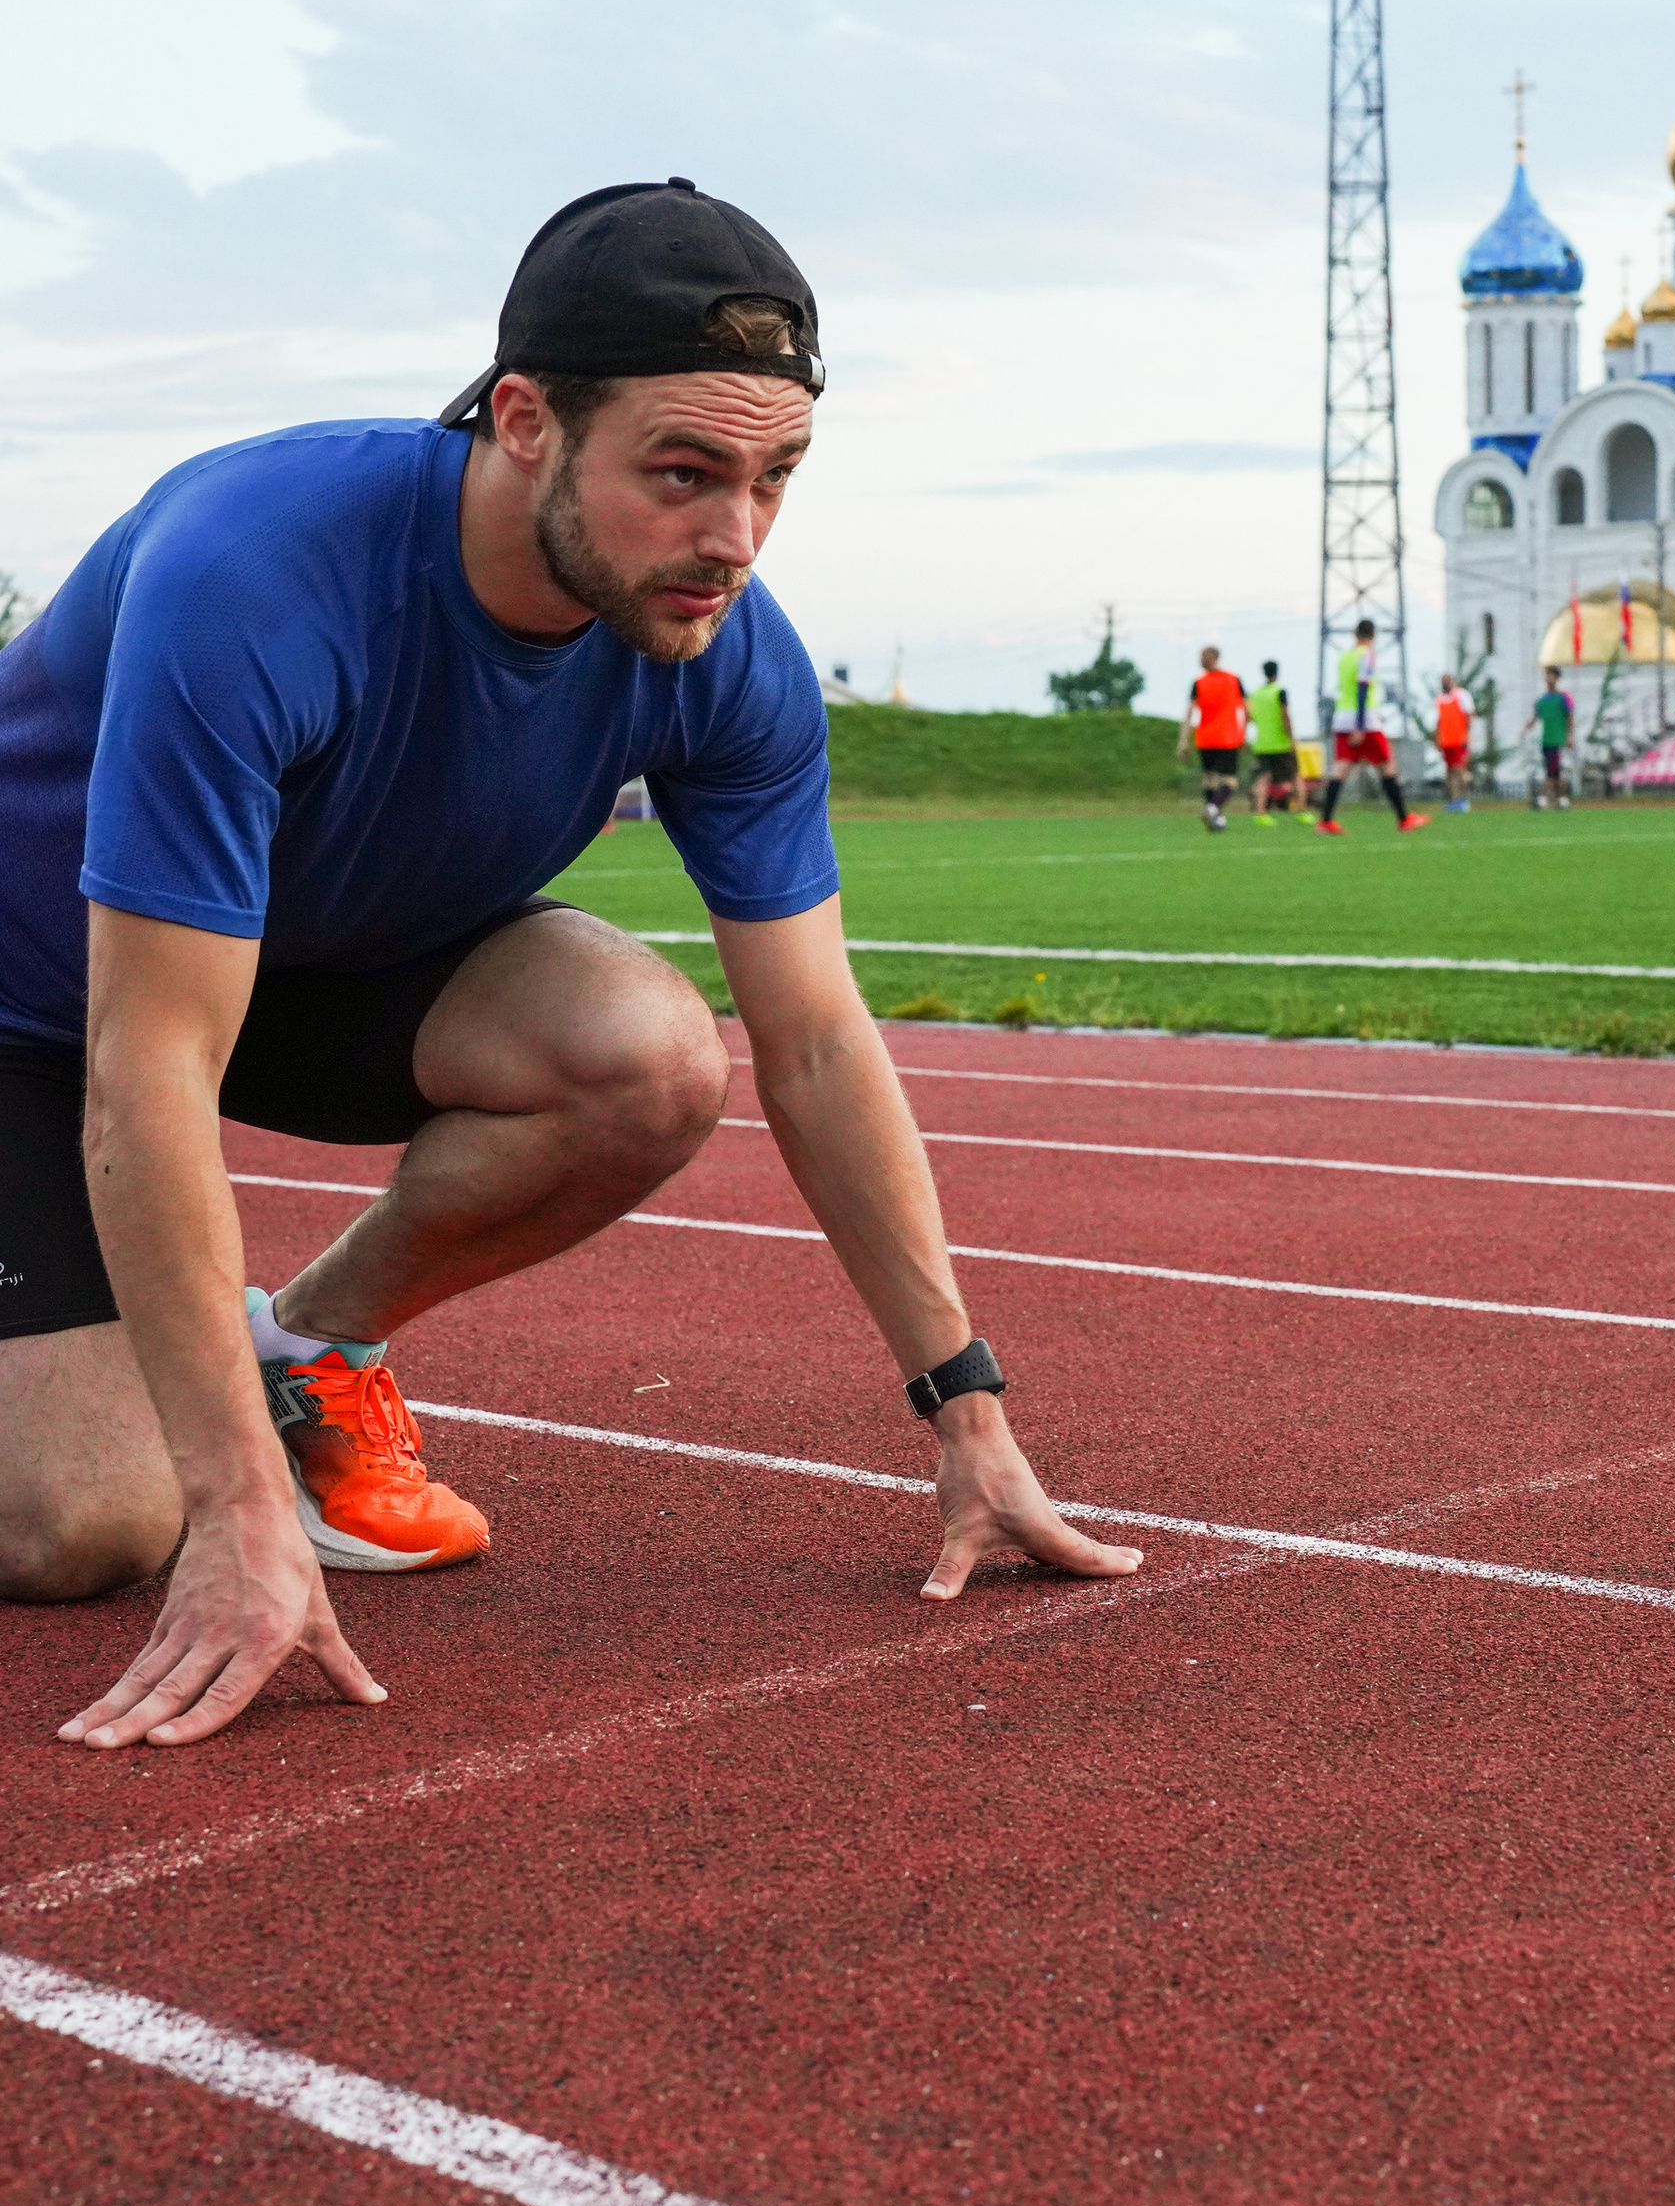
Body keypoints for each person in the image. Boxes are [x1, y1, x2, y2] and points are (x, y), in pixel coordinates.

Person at [0, 177, 1138, 1753]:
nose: (732, 536)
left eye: (775, 478)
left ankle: (303, 1352)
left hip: (310, 966)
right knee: (85, 1528)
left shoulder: (721, 645)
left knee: (652, 1054)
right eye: (683, 473)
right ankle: (224, 1448)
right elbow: (149, 1068)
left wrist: (968, 1407)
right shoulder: (253, 571)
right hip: (43, 1001)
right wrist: (231, 1512)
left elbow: (808, 1039)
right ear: (526, 419)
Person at [1317, 619, 1427, 834]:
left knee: (1340, 767)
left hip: (1342, 717)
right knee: (1387, 765)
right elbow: (1362, 687)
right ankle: (1404, 819)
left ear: (1354, 634)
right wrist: (1360, 725)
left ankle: (1325, 820)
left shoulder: (1345, 656)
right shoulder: (1367, 655)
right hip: (1364, 719)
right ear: (1373, 635)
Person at [1179, 644, 1249, 833]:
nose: (1200, 660)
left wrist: (1183, 741)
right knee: (1229, 781)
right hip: (1227, 737)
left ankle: (1214, 819)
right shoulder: (1233, 679)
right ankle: (1212, 809)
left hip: (1208, 737)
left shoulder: (1201, 682)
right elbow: (1246, 709)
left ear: (1214, 657)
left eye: (1203, 656)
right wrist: (1245, 734)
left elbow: (1189, 713)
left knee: (1210, 780)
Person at [1245, 661, 1302, 823]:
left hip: (1262, 743)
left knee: (1263, 778)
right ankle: (1302, 810)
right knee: (1295, 776)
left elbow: (1249, 717)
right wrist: (1292, 739)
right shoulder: (1279, 691)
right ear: (1277, 673)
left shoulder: (1255, 694)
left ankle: (1260, 813)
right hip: (1281, 743)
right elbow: (1286, 717)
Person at [1524, 667, 1575, 809]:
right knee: (1554, 772)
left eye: (1551, 676)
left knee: (1552, 771)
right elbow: (1535, 716)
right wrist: (1524, 729)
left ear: (1557, 678)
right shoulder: (1542, 699)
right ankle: (1561, 800)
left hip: (1559, 740)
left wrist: (1569, 736)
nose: (1549, 679)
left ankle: (1545, 799)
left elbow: (1570, 717)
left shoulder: (1564, 697)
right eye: (1547, 676)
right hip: (1546, 740)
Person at [1433, 673, 1476, 812]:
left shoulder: (1462, 695)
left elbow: (1469, 715)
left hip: (1459, 740)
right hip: (1446, 742)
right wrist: (1437, 739)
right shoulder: (1439, 699)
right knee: (1449, 771)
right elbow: (1439, 721)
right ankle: (1452, 800)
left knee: (1459, 769)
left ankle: (1463, 800)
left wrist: (1466, 735)